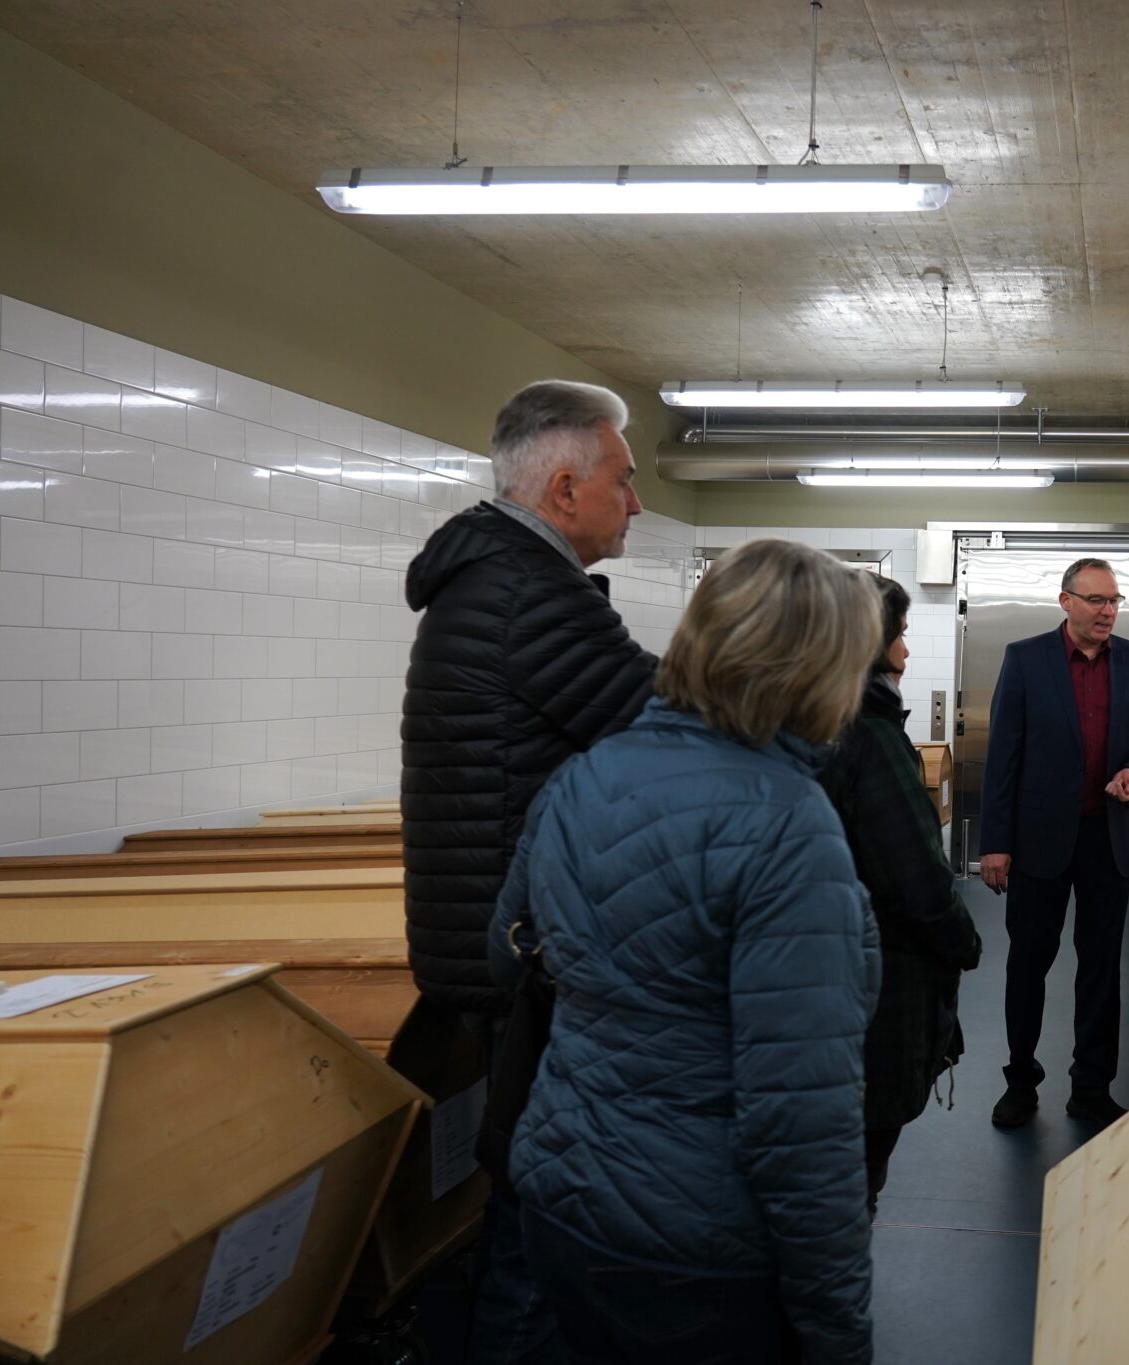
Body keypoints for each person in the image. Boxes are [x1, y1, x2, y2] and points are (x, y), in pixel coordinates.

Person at [492, 538, 882, 1365]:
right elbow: (802, 1120)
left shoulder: (583, 775)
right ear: (818, 669)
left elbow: (508, 951)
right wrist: (837, 1328)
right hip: (698, 1246)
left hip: (563, 1199)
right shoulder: (788, 825)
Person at [403, 379, 658, 1362]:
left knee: (526, 1208)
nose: (633, 503)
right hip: (527, 963)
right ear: (563, 489)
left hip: (501, 944)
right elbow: (665, 731)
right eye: (624, 482)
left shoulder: (501, 584)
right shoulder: (528, 596)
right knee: (542, 1232)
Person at [980, 557, 1129, 1130]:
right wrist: (994, 842)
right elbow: (1003, 757)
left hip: (1106, 838)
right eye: (1095, 600)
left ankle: (1090, 1087)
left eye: (1113, 601)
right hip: (1038, 840)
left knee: (1099, 971)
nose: (1107, 611)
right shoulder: (1025, 659)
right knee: (1028, 965)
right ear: (1066, 602)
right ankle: (1020, 1077)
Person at [818, 576, 983, 1212]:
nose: (907, 653)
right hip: (876, 992)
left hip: (834, 988)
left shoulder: (809, 725)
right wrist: (965, 943)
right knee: (851, 1184)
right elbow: (920, 885)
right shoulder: (871, 738)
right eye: (901, 637)